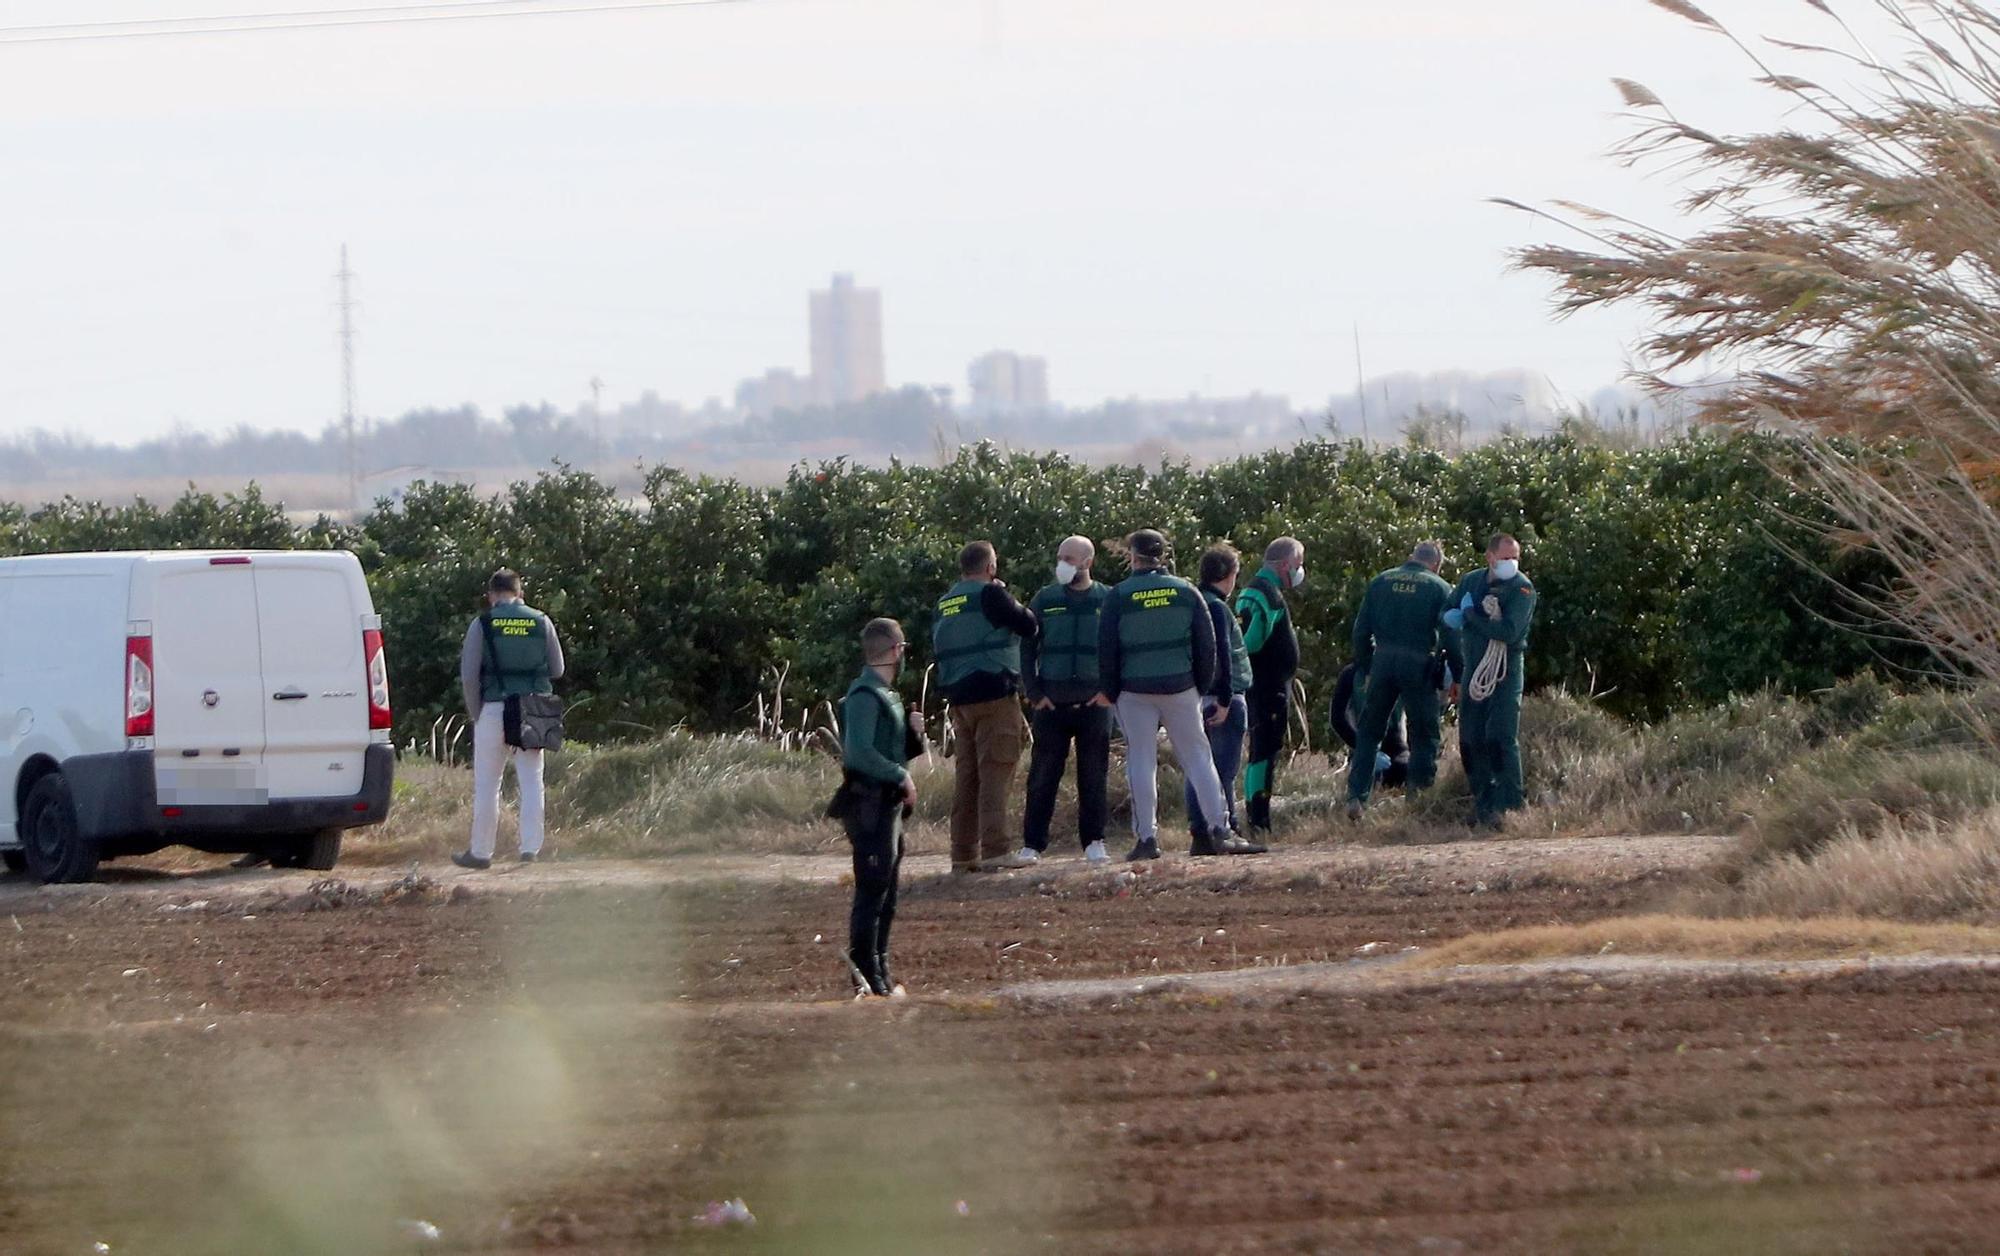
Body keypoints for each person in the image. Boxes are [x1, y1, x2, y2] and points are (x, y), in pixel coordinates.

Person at [1098, 529, 1257, 861]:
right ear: (1163, 555)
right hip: (1181, 687)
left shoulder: (1118, 595)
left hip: (1134, 690)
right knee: (1199, 758)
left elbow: (1107, 649)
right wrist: (1199, 686)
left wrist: (1111, 691)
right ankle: (1220, 829)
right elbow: (1207, 645)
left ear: (1133, 556)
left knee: (1141, 762)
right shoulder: (1186, 591)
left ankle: (1147, 840)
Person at [932, 541, 1040, 873]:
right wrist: (1007, 595)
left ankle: (962, 854)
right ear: (990, 567)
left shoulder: (945, 602)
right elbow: (1029, 625)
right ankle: (996, 850)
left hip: (959, 700)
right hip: (994, 691)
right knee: (995, 770)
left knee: (968, 776)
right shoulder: (991, 595)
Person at [453, 568, 566, 870]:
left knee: (489, 784)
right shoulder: (542, 621)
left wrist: (477, 712)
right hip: (532, 709)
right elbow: (558, 669)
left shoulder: (483, 623)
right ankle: (530, 850)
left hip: (494, 706)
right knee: (532, 781)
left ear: (491, 596)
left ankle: (480, 853)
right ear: (521, 593)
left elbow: (468, 675)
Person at [835, 617, 925, 998]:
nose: (904, 654)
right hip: (868, 804)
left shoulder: (887, 695)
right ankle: (864, 973)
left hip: (887, 807)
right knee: (872, 890)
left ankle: (880, 968)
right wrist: (899, 776)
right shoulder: (863, 696)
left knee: (886, 893)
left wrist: (914, 736)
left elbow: (890, 749)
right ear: (892, 651)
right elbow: (860, 753)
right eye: (902, 647)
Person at [1012, 536, 1115, 867]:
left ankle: (1094, 841)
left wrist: (1108, 692)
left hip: (1094, 704)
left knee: (1094, 775)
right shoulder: (1045, 598)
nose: (1063, 564)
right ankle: (1032, 845)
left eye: (1069, 558)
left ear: (1088, 562)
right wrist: (1034, 692)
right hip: (1051, 705)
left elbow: (1119, 649)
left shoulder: (1108, 599)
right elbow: (1027, 647)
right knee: (1042, 776)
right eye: (1060, 557)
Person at [1344, 541, 1454, 819]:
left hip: (1382, 661)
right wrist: (1457, 672)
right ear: (1436, 564)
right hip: (1418, 662)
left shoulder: (1380, 581)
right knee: (1424, 735)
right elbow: (1451, 635)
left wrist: (1368, 667)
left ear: (1411, 558)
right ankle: (1418, 801)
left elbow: (1360, 633)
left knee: (1369, 733)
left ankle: (1356, 797)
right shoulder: (1439, 587)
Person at [1443, 533, 1538, 829]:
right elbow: (1447, 610)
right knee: (1471, 739)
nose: (1511, 563)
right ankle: (1483, 804)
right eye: (1506, 557)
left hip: (1506, 670)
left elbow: (1509, 632)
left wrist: (1471, 615)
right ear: (1490, 557)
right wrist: (1455, 617)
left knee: (1500, 736)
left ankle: (1510, 804)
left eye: (1515, 557)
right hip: (1475, 668)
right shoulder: (1472, 581)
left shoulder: (1522, 588)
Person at [1185, 543, 1260, 849]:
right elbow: (1222, 656)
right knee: (1223, 769)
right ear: (1228, 575)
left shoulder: (1193, 602)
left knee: (1199, 767)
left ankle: (1201, 834)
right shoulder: (1216, 607)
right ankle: (1224, 830)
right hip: (1221, 699)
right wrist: (1226, 698)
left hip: (1195, 696)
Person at [1235, 536, 1306, 837]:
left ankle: (1257, 817)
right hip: (1267, 684)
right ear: (1285, 564)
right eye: (1299, 564)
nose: (1300, 571)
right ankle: (1258, 820)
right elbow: (1250, 641)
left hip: (1265, 682)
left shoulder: (1255, 588)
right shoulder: (1267, 593)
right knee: (1264, 752)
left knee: (1263, 749)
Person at [1330, 662, 1411, 790]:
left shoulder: (1400, 670)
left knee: (1405, 770)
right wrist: (1362, 749)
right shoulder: (1350, 674)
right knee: (1369, 777)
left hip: (1395, 743)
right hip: (1362, 742)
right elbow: (1337, 719)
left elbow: (1415, 716)